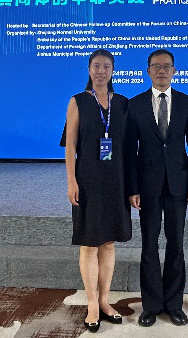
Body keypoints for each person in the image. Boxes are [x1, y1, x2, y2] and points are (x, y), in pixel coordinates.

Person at [125, 48, 188, 327]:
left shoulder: (186, 103)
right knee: (149, 245)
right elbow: (129, 150)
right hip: (147, 185)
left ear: (174, 71)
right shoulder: (134, 104)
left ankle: (174, 304)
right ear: (147, 71)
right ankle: (151, 305)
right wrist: (133, 188)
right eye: (156, 66)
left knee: (176, 244)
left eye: (166, 66)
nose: (161, 71)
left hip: (178, 184)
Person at [64, 49, 132, 333]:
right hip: (88, 180)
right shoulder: (78, 101)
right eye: (96, 66)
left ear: (113, 71)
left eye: (106, 66)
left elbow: (129, 147)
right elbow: (70, 145)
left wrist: (132, 186)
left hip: (116, 180)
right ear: (89, 69)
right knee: (90, 243)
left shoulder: (123, 103)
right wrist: (71, 181)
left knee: (109, 243)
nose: (101, 71)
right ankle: (92, 303)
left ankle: (105, 300)